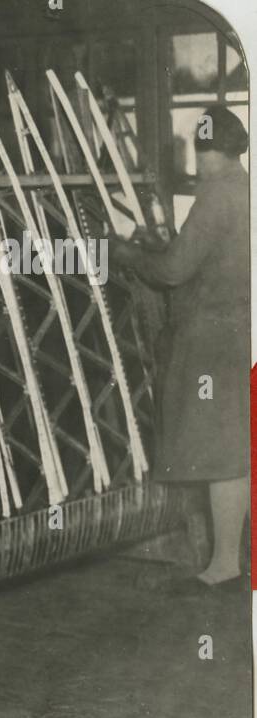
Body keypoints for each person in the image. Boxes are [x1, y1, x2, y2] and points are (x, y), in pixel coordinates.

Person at [110, 104, 250, 587]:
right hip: (240, 332)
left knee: (218, 452)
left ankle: (225, 562)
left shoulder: (216, 194)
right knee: (234, 448)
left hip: (211, 339)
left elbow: (173, 271)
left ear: (207, 149)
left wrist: (127, 252)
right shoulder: (245, 188)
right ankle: (229, 556)